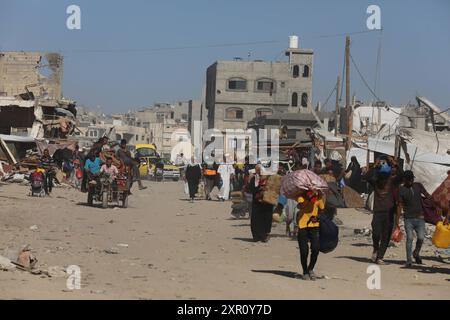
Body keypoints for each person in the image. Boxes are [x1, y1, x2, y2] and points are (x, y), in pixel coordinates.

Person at [397, 170, 431, 267]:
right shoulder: (401, 190)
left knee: (421, 238)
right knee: (410, 238)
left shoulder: (418, 186)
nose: (411, 181)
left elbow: (428, 195)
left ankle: (416, 253)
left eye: (412, 179)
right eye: (409, 179)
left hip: (420, 218)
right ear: (404, 180)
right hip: (408, 219)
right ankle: (409, 261)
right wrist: (397, 221)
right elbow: (399, 205)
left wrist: (436, 204)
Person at [296, 190, 325, 280]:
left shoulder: (319, 197)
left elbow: (322, 209)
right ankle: (305, 271)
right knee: (304, 250)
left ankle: (310, 269)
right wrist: (308, 198)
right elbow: (300, 206)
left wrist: (317, 216)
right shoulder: (301, 196)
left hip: (314, 225)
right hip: (302, 225)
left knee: (316, 248)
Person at [248, 164, 274, 242]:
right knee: (256, 219)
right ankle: (256, 236)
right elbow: (251, 189)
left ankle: (264, 235)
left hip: (266, 203)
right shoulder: (253, 178)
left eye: (259, 170)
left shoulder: (269, 178)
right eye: (257, 170)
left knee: (266, 219)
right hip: (256, 202)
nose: (258, 171)